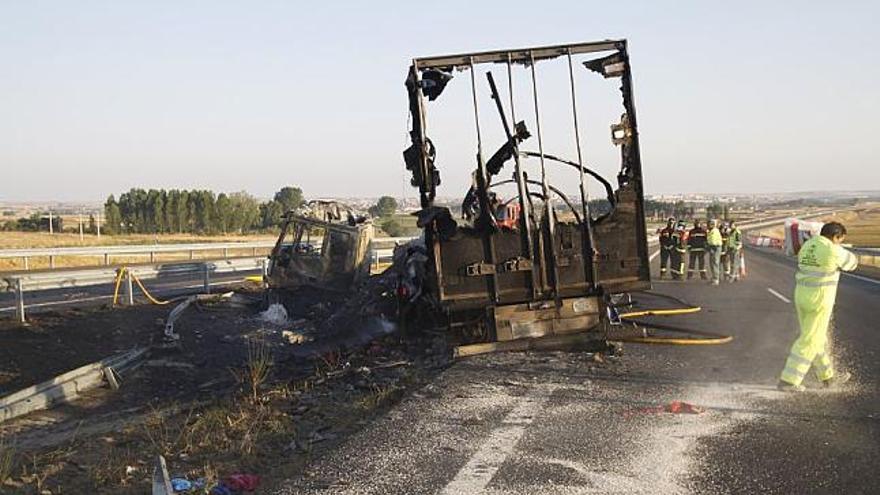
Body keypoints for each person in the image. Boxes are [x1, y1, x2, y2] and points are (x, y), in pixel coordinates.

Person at [778, 222, 859, 392]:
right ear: (836, 237)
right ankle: (789, 380)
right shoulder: (832, 249)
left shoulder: (808, 245)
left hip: (802, 295)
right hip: (819, 300)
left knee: (817, 338)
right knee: (810, 340)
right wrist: (840, 248)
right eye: (840, 239)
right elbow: (852, 263)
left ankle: (827, 377)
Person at [706, 219, 723, 285]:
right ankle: (714, 277)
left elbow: (713, 241)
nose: (708, 225)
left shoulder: (714, 231)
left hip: (716, 248)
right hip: (712, 247)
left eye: (710, 224)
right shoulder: (711, 231)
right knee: (712, 263)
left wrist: (709, 247)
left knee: (715, 263)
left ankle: (716, 279)